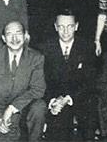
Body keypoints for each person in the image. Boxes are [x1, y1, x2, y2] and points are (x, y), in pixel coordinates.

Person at [38, 9, 98, 141]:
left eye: (70, 26)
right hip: (55, 101)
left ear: (76, 26)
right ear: (55, 27)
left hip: (78, 98)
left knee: (89, 119)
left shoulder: (87, 47)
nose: (65, 31)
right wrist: (53, 101)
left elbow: (90, 82)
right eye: (61, 27)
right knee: (57, 130)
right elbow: (42, 81)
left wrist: (68, 98)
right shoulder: (45, 48)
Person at [0, 21, 47, 141]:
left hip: (24, 107)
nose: (14, 38)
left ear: (25, 36)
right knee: (5, 137)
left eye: (18, 33)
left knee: (39, 106)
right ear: (3, 38)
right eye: (9, 34)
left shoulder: (36, 57)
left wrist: (12, 108)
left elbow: (38, 89)